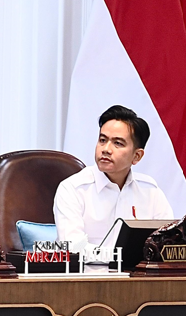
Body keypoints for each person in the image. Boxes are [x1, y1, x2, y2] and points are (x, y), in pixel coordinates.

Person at [53, 105, 173, 253]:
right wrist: (121, 256)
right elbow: (72, 246)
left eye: (118, 143)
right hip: (85, 274)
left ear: (137, 156)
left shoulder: (150, 191)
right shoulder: (73, 189)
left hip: (139, 275)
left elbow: (167, 242)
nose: (106, 149)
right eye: (102, 140)